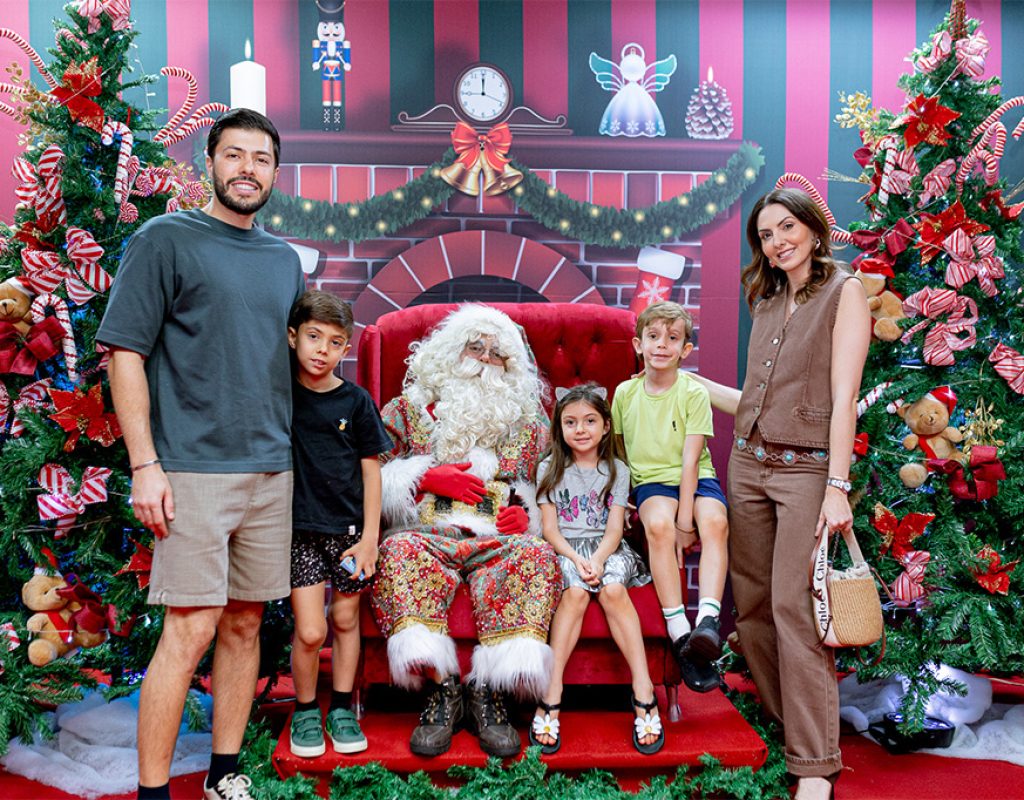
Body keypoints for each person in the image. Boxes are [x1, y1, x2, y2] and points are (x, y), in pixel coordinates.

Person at [98, 109, 305, 800]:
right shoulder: (166, 240)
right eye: (235, 155)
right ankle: (154, 792)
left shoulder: (282, 261)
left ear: (276, 173)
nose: (248, 168)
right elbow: (124, 351)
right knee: (188, 633)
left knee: (246, 624)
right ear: (209, 164)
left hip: (271, 472)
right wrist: (145, 464)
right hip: (191, 470)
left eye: (262, 159)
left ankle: (224, 773)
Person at [693, 188, 870, 800]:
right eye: (766, 235)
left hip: (807, 472)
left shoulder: (843, 293)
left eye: (786, 227)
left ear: (814, 229)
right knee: (755, 607)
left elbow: (842, 399)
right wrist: (688, 383)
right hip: (748, 464)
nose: (776, 242)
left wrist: (837, 487)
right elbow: (755, 402)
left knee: (796, 610)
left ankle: (815, 766)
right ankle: (788, 722)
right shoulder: (766, 298)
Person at [370, 304, 561, 758]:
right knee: (396, 552)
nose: (484, 360)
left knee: (535, 557)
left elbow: (550, 482)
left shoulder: (531, 425)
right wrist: (420, 478)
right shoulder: (407, 411)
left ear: (512, 368)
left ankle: (489, 693)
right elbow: (368, 474)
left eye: (497, 355)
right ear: (451, 352)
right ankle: (443, 689)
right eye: (475, 347)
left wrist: (528, 514)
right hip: (425, 529)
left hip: (499, 535)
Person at [285, 290, 392, 759]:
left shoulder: (356, 401)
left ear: (346, 348)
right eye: (313, 337)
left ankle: (343, 707)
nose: (321, 350)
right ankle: (306, 709)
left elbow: (372, 472)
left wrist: (370, 540)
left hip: (349, 534)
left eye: (334, 342)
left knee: (346, 619)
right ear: (293, 338)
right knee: (311, 631)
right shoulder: (280, 395)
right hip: (300, 532)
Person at [530, 384, 661, 756]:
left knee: (613, 590)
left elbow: (616, 528)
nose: (580, 429)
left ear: (606, 426)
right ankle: (552, 693)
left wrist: (600, 560)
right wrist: (575, 559)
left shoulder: (616, 469)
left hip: (608, 548)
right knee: (573, 593)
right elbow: (550, 530)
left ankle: (643, 689)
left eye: (590, 421)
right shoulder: (550, 468)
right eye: (570, 422)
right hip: (566, 551)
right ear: (560, 428)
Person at [611, 301, 730, 694]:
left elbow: (691, 460)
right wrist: (629, 497)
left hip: (694, 476)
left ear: (685, 350)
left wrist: (687, 524)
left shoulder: (692, 391)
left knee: (714, 521)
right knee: (657, 526)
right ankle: (680, 632)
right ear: (638, 344)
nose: (662, 345)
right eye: (654, 337)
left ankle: (708, 620)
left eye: (673, 338)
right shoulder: (625, 394)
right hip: (652, 482)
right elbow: (620, 451)